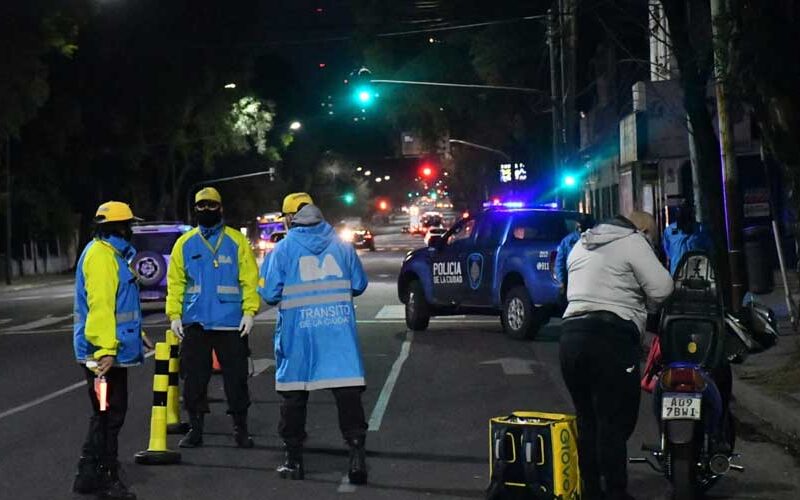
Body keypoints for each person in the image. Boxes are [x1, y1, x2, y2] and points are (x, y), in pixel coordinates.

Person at [559, 211, 674, 500]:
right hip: (610, 338)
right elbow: (662, 288)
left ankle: (591, 491)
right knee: (614, 420)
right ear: (644, 231)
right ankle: (616, 492)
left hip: (571, 338)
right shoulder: (633, 241)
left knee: (587, 419)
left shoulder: (579, 245)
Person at [258, 192, 370, 484]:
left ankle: (294, 461)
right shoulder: (342, 246)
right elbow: (359, 284)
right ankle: (357, 459)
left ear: (289, 218)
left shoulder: (281, 251)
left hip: (299, 336)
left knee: (294, 398)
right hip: (337, 335)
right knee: (347, 395)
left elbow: (269, 293)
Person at [166, 187, 260, 449]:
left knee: (236, 379)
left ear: (220, 208)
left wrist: (249, 312)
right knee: (194, 379)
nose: (206, 210)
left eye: (211, 205)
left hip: (231, 323)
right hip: (196, 323)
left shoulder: (236, 241)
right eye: (201, 206)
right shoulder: (185, 244)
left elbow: (249, 280)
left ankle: (240, 429)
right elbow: (176, 283)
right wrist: (174, 315)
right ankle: (196, 429)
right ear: (195, 210)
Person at [73, 201, 153, 499]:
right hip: (102, 357)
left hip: (108, 352)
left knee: (106, 413)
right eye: (128, 225)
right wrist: (106, 349)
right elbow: (101, 308)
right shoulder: (102, 258)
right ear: (119, 228)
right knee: (107, 414)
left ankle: (89, 474)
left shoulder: (110, 255)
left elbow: (120, 307)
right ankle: (102, 476)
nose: (131, 230)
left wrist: (138, 334)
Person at [662, 202, 713, 275]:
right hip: (678, 274)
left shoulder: (701, 230)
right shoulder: (669, 231)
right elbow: (667, 252)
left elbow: (709, 250)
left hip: (697, 273)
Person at [555, 214, 595, 293]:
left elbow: (560, 263)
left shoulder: (568, 240)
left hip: (583, 280)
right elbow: (560, 263)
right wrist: (562, 281)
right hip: (576, 280)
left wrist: (561, 281)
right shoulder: (569, 241)